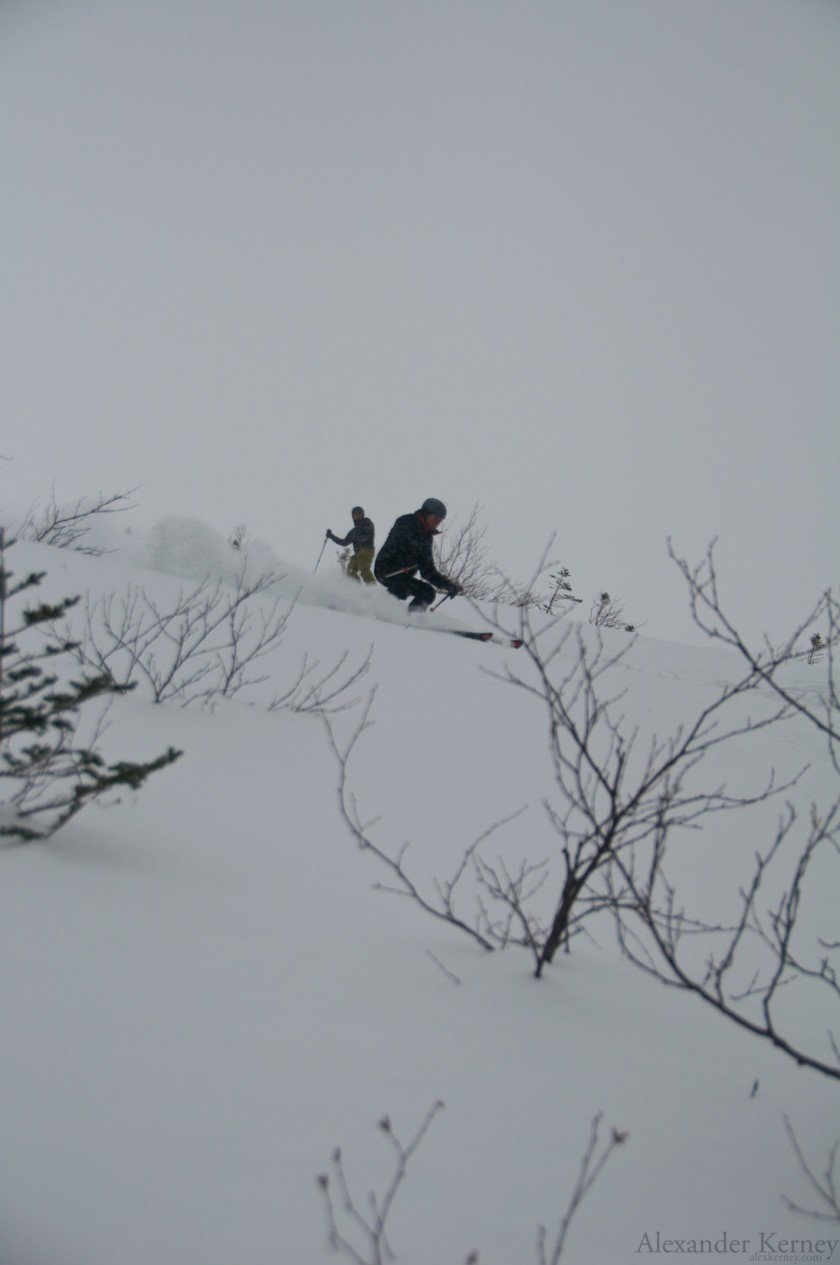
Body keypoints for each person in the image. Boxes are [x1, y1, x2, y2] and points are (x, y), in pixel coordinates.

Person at [373, 498, 461, 612]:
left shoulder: (427, 537)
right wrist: (418, 555)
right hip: (387, 569)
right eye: (435, 518)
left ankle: (413, 618)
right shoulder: (405, 522)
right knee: (402, 589)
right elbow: (400, 542)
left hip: (403, 575)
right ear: (425, 514)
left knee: (428, 592)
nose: (436, 523)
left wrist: (447, 585)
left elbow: (428, 570)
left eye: (439, 521)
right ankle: (378, 609)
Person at [326, 506, 376, 584]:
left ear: (363, 515)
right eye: (355, 515)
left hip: (367, 550)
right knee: (350, 570)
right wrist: (331, 536)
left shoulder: (367, 523)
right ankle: (357, 589)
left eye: (359, 515)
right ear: (353, 517)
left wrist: (360, 537)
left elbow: (369, 535)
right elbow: (344, 542)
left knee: (364, 569)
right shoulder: (353, 532)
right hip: (358, 553)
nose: (358, 517)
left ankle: (372, 589)